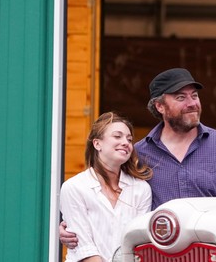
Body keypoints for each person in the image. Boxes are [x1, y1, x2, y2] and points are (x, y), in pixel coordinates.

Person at [60, 67, 216, 249]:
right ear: (159, 106)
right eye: (181, 97)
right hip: (158, 255)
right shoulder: (138, 154)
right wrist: (72, 228)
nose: (192, 103)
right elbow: (113, 204)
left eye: (194, 95)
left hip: (214, 254)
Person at [59, 112, 152, 262]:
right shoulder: (74, 187)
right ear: (97, 144)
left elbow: (140, 244)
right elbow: (85, 249)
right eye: (117, 136)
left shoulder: (141, 189)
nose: (125, 142)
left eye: (129, 139)